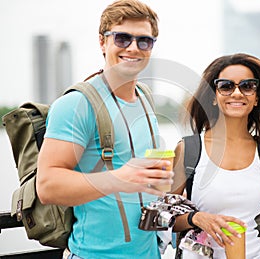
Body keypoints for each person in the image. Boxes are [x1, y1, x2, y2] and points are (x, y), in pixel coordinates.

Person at [36, 0, 174, 258]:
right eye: (122, 38)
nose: (133, 48)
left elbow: (146, 180)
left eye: (144, 41)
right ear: (102, 42)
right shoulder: (77, 104)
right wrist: (121, 178)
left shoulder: (145, 98)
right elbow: (47, 186)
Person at [172, 53, 260, 258]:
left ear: (256, 98)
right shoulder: (189, 150)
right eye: (226, 86)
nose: (237, 93)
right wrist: (196, 218)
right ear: (214, 97)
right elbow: (164, 219)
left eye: (247, 86)